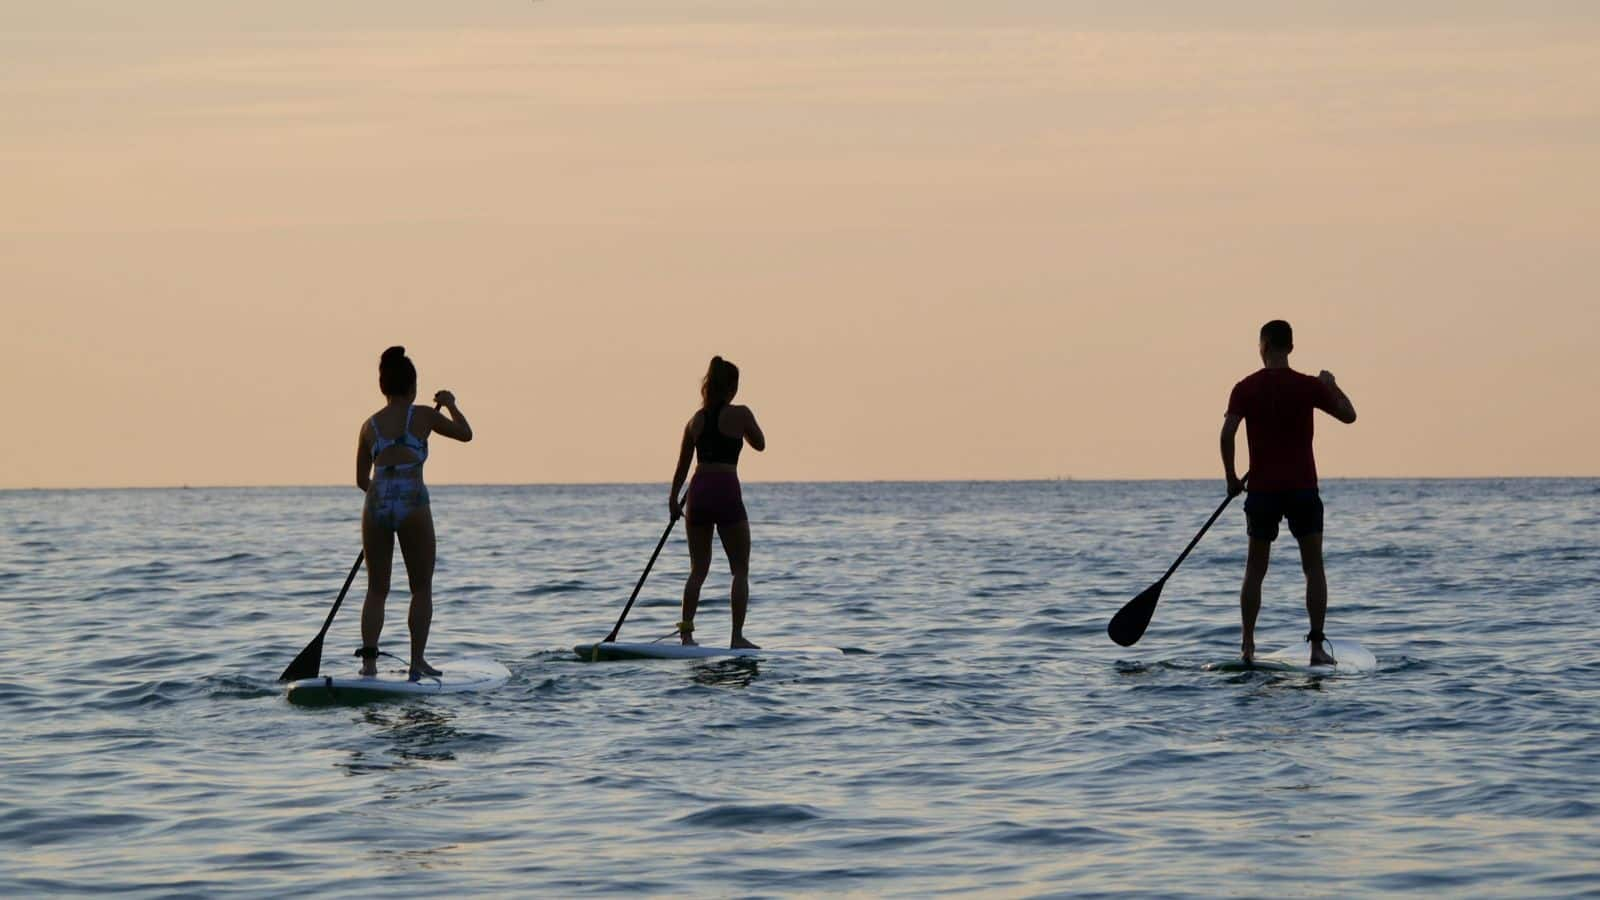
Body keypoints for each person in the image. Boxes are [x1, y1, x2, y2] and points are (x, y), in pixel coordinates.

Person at [1220, 320, 1356, 665]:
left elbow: (1227, 434)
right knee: (1313, 568)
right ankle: (1316, 648)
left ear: (1262, 346)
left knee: (1254, 569)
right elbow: (1349, 416)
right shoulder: (1309, 386)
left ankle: (1247, 646)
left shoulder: (1245, 387)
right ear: (1291, 348)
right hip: (1302, 490)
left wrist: (1232, 478)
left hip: (1263, 491)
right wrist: (1333, 386)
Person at [354, 346, 473, 679]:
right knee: (421, 587)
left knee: (377, 589)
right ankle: (417, 661)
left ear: (384, 387)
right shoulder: (423, 415)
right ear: (412, 387)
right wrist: (449, 403)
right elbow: (465, 434)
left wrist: (384, 500)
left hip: (376, 502)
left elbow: (362, 479)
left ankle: (369, 665)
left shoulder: (369, 425)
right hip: (413, 502)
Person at [669, 356, 766, 648]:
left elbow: (682, 466)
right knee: (740, 569)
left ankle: (686, 636)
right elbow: (760, 444)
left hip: (698, 492)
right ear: (731, 388)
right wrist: (741, 427)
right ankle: (736, 637)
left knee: (697, 570)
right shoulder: (741, 414)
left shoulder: (694, 421)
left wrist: (673, 500)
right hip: (725, 491)